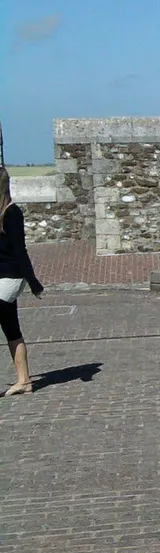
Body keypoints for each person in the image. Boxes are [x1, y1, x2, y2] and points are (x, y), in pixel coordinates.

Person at [0, 166, 44, 396]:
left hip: (11, 278)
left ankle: (24, 380)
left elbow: (20, 250)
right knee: (11, 329)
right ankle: (24, 381)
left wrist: (33, 281)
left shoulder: (12, 213)